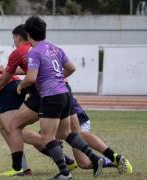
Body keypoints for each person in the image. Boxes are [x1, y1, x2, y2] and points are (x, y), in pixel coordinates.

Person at [6, 16, 104, 180]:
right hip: (65, 94)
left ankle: (65, 173)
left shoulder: (34, 52)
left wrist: (20, 86)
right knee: (67, 133)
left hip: (51, 97)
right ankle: (95, 158)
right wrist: (57, 78)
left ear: (28, 35)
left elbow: (30, 78)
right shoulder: (54, 48)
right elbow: (71, 67)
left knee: (47, 137)